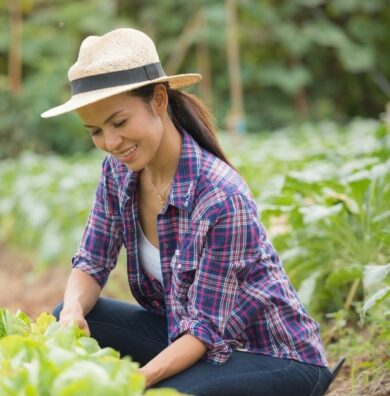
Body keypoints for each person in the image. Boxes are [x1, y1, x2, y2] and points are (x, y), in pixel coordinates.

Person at [41, 28, 333, 395]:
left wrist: (133, 382)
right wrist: (72, 312)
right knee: (65, 316)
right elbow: (90, 264)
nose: (111, 143)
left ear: (159, 100)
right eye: (95, 131)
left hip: (274, 356)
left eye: (119, 123)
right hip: (188, 338)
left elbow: (203, 331)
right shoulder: (118, 174)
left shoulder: (221, 196)